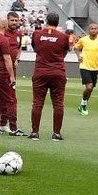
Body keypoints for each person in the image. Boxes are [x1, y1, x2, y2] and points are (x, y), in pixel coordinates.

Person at [30, 13, 71, 141]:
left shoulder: (36, 34)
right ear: (58, 22)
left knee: (37, 103)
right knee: (58, 103)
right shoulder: (64, 36)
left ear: (46, 21)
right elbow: (64, 52)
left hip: (40, 71)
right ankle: (56, 133)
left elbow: (35, 48)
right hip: (57, 72)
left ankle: (35, 132)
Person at [73, 23, 98, 115]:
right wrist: (79, 56)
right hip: (84, 66)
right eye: (92, 29)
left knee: (91, 88)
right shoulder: (83, 40)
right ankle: (84, 105)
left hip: (95, 67)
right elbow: (76, 48)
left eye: (95, 29)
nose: (93, 30)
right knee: (89, 87)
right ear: (88, 30)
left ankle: (83, 104)